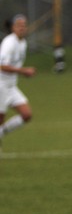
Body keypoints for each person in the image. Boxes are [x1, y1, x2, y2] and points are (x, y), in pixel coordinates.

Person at [0, 15, 36, 145]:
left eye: (24, 25)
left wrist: (22, 72)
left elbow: (14, 66)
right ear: (12, 28)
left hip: (11, 86)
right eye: (19, 25)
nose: (22, 28)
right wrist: (23, 71)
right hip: (1, 86)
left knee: (26, 115)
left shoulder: (23, 43)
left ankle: (1, 133)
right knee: (0, 120)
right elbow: (2, 66)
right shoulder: (9, 43)